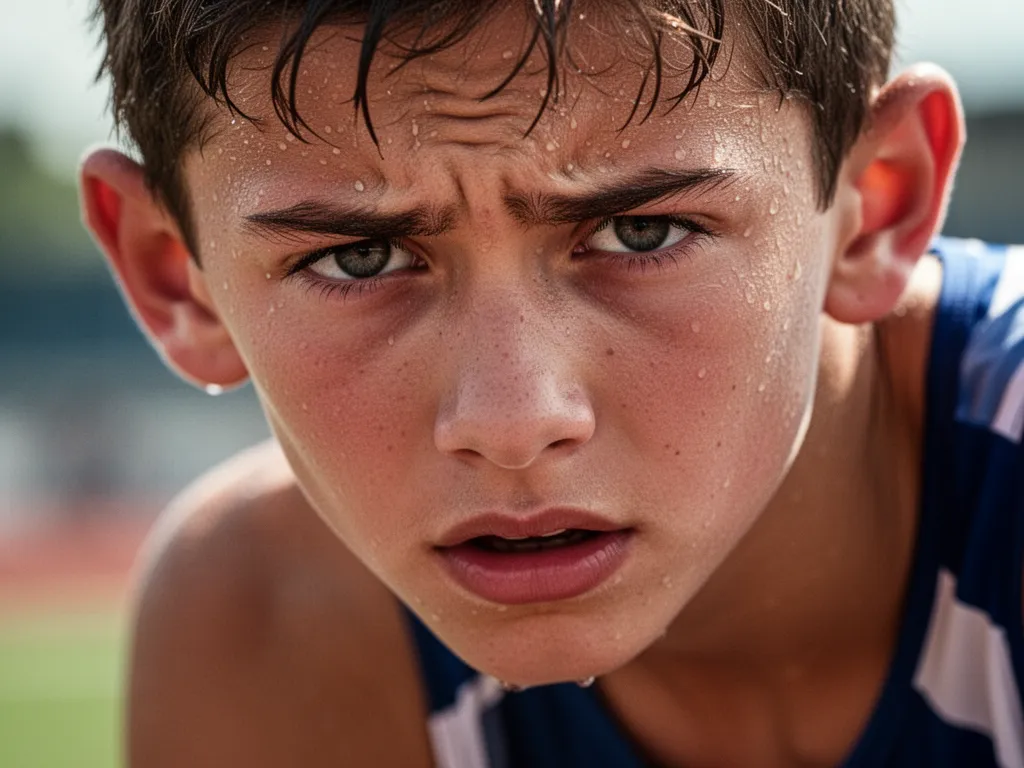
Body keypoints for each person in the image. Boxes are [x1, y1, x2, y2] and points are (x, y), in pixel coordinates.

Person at [79, 0, 1023, 765]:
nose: (513, 420)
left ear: (877, 204)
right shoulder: (264, 632)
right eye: (360, 257)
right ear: (176, 275)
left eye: (640, 233)